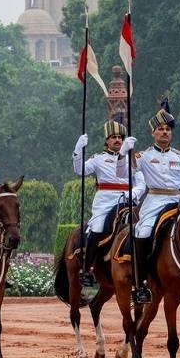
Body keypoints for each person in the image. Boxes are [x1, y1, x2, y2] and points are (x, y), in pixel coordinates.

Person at [131, 99, 180, 304]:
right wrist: (126, 155)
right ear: (153, 133)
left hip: (179, 201)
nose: (164, 133)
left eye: (167, 129)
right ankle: (142, 283)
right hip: (155, 200)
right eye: (160, 129)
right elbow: (125, 173)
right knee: (143, 232)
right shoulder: (143, 156)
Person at [72, 114, 136, 288]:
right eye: (113, 137)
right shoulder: (98, 158)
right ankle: (87, 269)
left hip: (128, 200)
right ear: (106, 141)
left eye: (120, 137)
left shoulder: (132, 159)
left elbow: (142, 180)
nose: (117, 140)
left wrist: (134, 193)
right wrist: (79, 149)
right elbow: (80, 170)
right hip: (105, 201)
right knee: (98, 227)